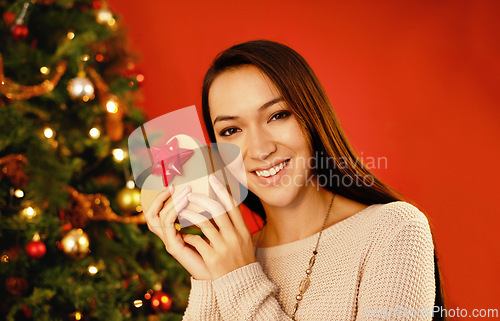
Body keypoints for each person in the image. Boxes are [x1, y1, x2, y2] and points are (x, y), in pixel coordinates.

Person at [144, 40, 446, 320]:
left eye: (277, 115)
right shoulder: (230, 258)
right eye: (231, 131)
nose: (261, 149)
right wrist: (209, 279)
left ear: (311, 117)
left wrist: (240, 278)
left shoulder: (393, 229)